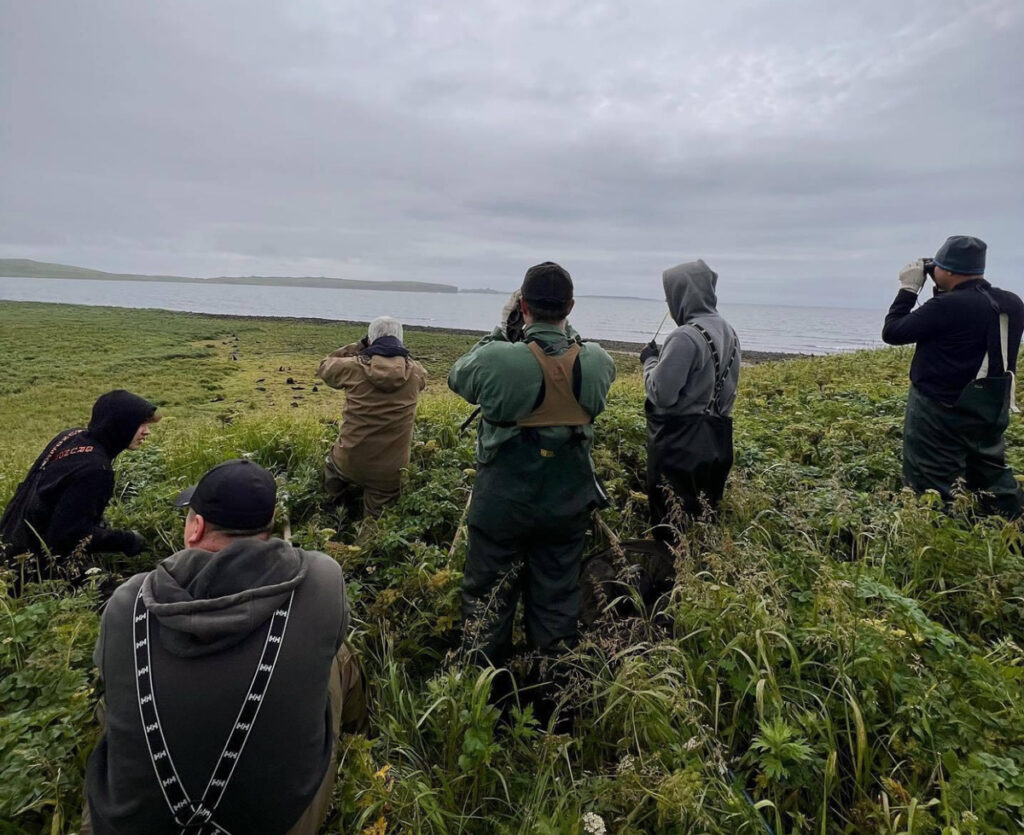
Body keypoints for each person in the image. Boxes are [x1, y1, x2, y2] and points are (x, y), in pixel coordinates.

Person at [82, 458, 365, 835]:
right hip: (272, 821)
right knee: (339, 656)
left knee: (113, 693)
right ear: (270, 524)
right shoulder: (322, 580)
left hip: (133, 823)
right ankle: (361, 742)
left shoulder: (127, 602)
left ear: (196, 527)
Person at [448, 262, 617, 665]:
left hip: (501, 504)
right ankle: (553, 697)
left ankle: (484, 696)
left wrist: (501, 330)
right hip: (566, 504)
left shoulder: (500, 360)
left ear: (522, 306)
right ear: (571, 306)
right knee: (558, 601)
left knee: (487, 601)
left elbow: (459, 377)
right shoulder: (597, 362)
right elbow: (575, 353)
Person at [882, 235, 1024, 517]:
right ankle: (1011, 534)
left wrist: (909, 288)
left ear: (947, 270)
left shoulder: (948, 306)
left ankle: (940, 542)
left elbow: (893, 332)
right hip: (990, 407)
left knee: (933, 485)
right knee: (992, 477)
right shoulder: (1011, 302)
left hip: (940, 409)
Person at [0, 389, 158, 586]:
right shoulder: (96, 471)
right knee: (124, 592)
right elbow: (69, 536)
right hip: (33, 572)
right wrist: (127, 540)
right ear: (120, 424)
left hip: (10, 541)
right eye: (140, 424)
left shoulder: (70, 436)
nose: (147, 431)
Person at [640, 259, 740, 538]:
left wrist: (649, 361)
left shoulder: (685, 336)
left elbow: (662, 393)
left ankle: (669, 579)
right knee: (703, 525)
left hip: (679, 447)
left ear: (680, 294)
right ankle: (699, 576)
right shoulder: (730, 331)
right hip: (718, 442)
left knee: (670, 528)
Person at [317, 316, 427, 519]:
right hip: (390, 470)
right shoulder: (416, 372)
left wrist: (358, 346)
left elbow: (324, 367)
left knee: (332, 468)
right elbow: (421, 379)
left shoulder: (353, 367)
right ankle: (368, 543)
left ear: (370, 340)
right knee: (376, 523)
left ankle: (334, 511)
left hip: (350, 459)